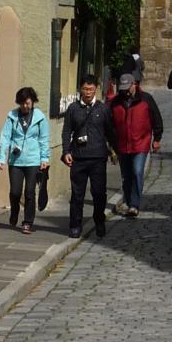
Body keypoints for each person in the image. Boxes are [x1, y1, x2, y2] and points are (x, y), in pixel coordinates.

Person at [61, 73, 116, 237]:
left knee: (99, 193)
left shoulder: (103, 109)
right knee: (77, 194)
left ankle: (99, 220)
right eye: (85, 89)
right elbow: (66, 131)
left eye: (91, 89)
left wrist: (115, 151)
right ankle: (75, 225)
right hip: (78, 157)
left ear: (96, 89)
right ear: (80, 89)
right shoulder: (73, 108)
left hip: (98, 157)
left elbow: (110, 132)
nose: (88, 92)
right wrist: (66, 151)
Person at [107, 72, 163, 216]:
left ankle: (134, 205)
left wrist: (157, 139)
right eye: (123, 88)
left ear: (134, 85)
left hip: (140, 143)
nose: (125, 91)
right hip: (122, 144)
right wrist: (112, 145)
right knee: (126, 175)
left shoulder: (146, 99)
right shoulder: (115, 102)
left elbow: (156, 118)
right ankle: (127, 200)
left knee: (137, 172)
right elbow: (110, 125)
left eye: (127, 88)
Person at [0, 86, 50, 234]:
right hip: (16, 161)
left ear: (33, 102)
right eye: (22, 103)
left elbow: (44, 139)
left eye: (28, 103)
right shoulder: (12, 116)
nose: (25, 106)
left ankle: (28, 222)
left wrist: (44, 158)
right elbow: (5, 137)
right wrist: (2, 157)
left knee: (30, 192)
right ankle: (14, 212)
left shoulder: (40, 118)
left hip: (33, 160)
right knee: (15, 192)